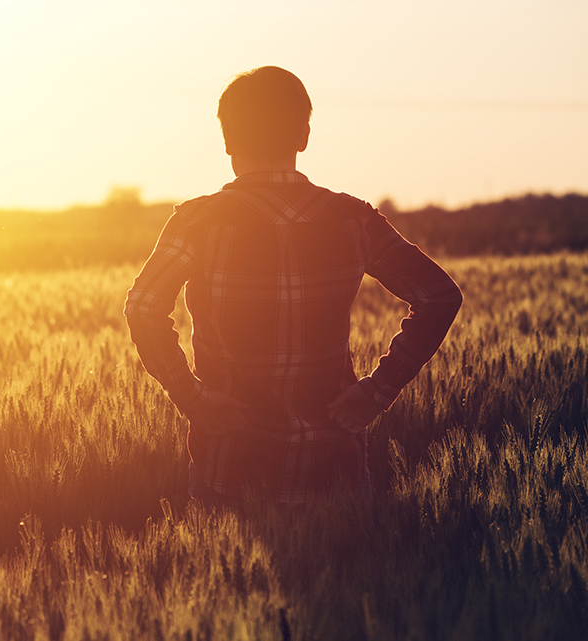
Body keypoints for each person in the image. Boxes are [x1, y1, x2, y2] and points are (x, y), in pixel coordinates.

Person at [124, 66, 463, 506]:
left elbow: (144, 307)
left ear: (227, 140)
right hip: (333, 469)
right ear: (304, 135)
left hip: (230, 467)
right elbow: (439, 296)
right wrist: (376, 392)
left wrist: (193, 398)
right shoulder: (353, 220)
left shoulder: (197, 223)